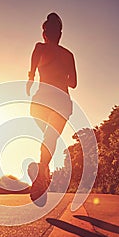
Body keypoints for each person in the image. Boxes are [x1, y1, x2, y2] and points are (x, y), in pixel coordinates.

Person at [26, 12, 77, 205]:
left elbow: (32, 70)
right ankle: (43, 170)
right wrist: (61, 72)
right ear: (60, 34)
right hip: (62, 100)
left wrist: (31, 79)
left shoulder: (39, 47)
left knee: (48, 136)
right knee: (51, 136)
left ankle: (43, 171)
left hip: (41, 100)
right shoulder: (68, 54)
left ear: (44, 33)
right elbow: (73, 83)